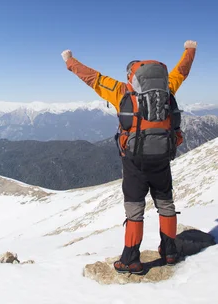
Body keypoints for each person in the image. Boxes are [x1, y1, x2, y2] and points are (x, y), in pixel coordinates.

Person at [61, 40, 197, 274]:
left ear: (132, 76)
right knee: (165, 203)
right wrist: (190, 51)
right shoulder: (168, 90)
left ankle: (131, 259)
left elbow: (92, 77)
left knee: (134, 210)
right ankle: (170, 251)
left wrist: (70, 61)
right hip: (162, 159)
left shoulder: (121, 91)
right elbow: (182, 71)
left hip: (134, 162)